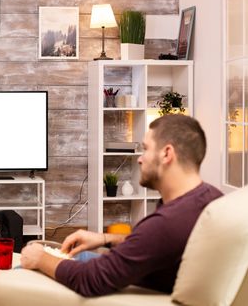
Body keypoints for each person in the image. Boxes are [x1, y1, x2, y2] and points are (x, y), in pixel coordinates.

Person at [20, 114, 223, 296]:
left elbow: (90, 280)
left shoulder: (168, 223)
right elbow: (155, 245)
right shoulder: (210, 197)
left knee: (22, 271)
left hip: (126, 289)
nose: (140, 159)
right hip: (147, 274)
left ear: (166, 154)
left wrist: (41, 258)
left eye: (145, 149)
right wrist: (105, 238)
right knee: (81, 255)